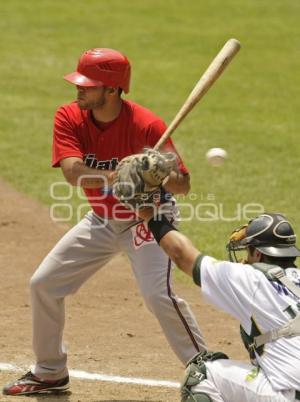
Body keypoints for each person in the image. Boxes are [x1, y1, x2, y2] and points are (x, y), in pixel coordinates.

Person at [2, 48, 206, 396]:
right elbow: (72, 173)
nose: (78, 90)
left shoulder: (147, 125)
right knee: (44, 284)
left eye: (88, 85)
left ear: (112, 90)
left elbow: (183, 185)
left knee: (159, 295)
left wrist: (155, 173)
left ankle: (208, 373)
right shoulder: (69, 116)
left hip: (147, 220)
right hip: (101, 219)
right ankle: (50, 372)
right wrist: (119, 174)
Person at [137, 210, 300, 402]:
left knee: (201, 374)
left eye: (248, 251)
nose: (245, 259)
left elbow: (182, 256)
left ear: (257, 253)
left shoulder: (251, 278)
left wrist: (150, 215)